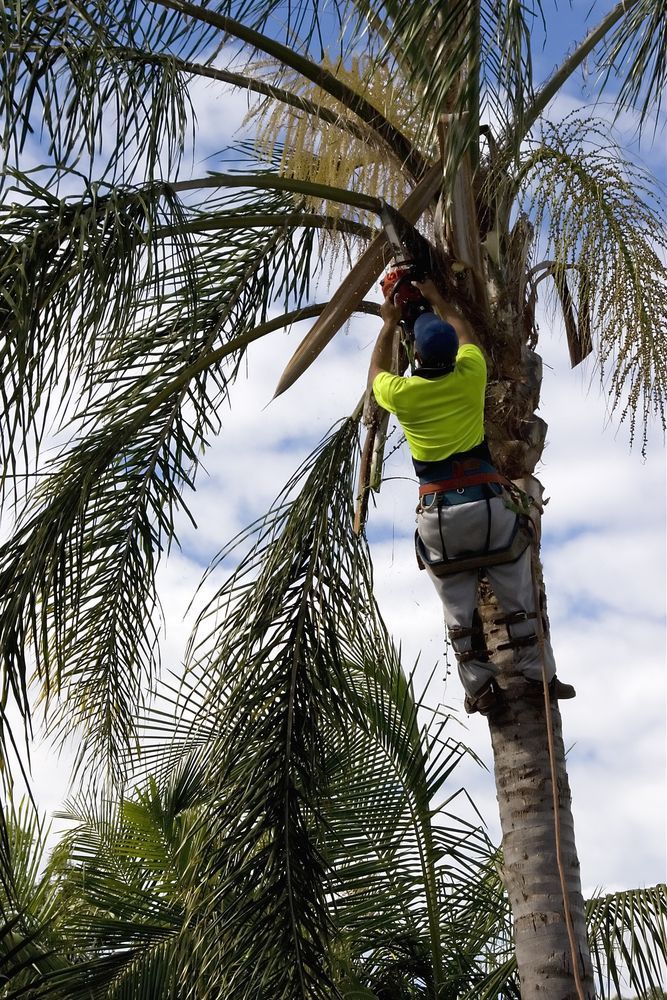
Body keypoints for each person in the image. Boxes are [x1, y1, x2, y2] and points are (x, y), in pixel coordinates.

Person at [369, 277, 575, 715]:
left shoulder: (403, 395)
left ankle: (480, 689)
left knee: (459, 612)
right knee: (518, 590)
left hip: (441, 518)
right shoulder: (471, 373)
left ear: (417, 357)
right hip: (487, 508)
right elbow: (464, 332)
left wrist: (388, 323)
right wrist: (441, 298)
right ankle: (539, 674)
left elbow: (376, 377)